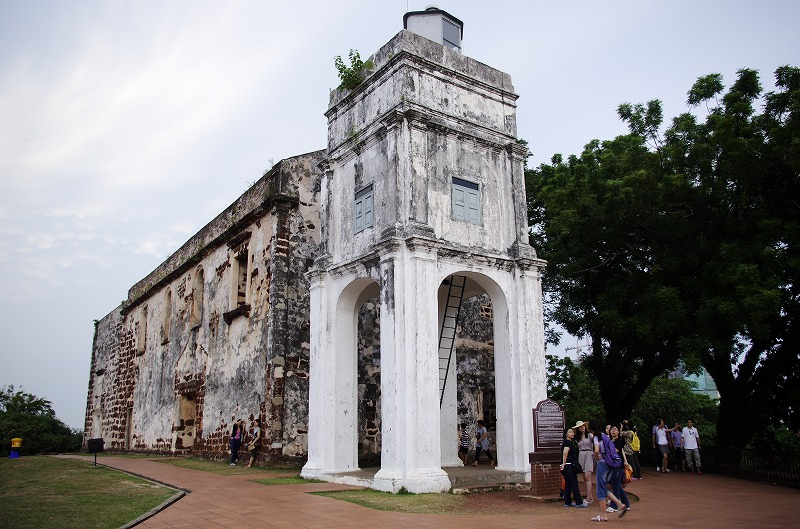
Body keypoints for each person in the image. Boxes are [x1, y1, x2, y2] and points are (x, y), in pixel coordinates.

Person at [589, 419, 628, 522]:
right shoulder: (604, 435)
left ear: (591, 429)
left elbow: (596, 450)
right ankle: (620, 504)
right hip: (611, 464)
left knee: (599, 490)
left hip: (603, 463)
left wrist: (597, 457)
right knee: (603, 487)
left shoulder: (596, 437)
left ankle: (603, 515)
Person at [560, 427, 588, 507]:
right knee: (574, 483)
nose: (572, 433)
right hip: (568, 465)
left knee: (568, 483)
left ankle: (567, 501)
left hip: (566, 465)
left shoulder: (567, 442)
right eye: (569, 432)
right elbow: (565, 453)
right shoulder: (568, 443)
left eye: (572, 432)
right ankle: (579, 502)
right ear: (566, 434)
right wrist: (564, 464)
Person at [608, 425, 631, 513]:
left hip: (618, 466)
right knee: (617, 486)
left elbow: (614, 452)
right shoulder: (610, 441)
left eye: (615, 429)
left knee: (615, 486)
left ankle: (614, 506)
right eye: (612, 430)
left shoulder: (618, 441)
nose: (613, 431)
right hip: (613, 466)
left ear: (618, 432)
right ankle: (626, 504)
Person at [575, 420, 595, 503]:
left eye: (583, 426)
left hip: (589, 454)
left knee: (587, 477)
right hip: (581, 455)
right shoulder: (577, 438)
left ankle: (588, 498)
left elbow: (596, 443)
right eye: (580, 427)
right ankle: (590, 496)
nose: (582, 427)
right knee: (584, 478)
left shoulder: (590, 435)